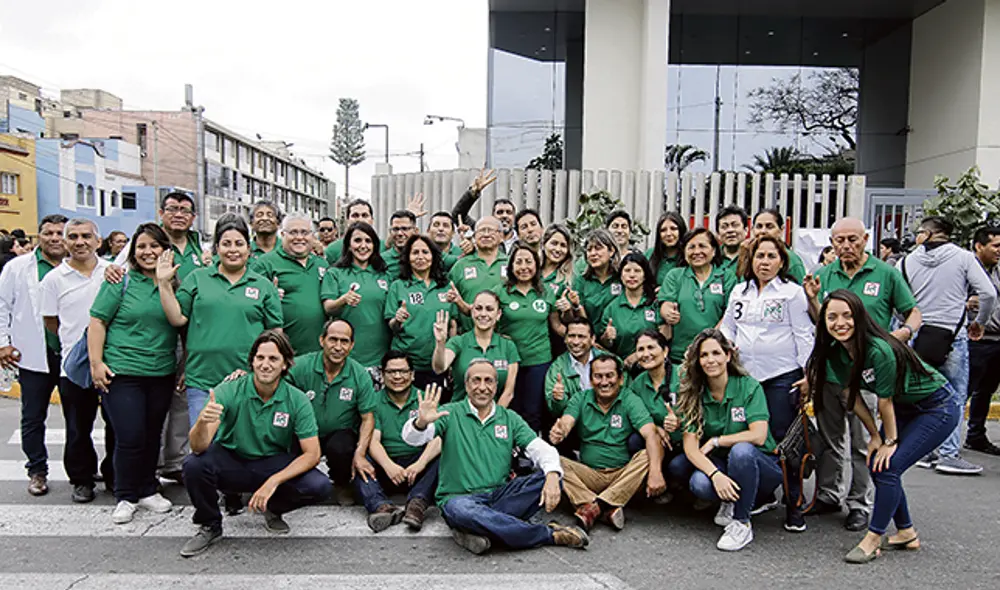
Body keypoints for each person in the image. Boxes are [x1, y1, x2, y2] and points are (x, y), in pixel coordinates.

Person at [804, 290, 958, 563]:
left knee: (888, 466)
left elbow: (884, 402)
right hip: (905, 408)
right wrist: (875, 436)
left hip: (937, 407)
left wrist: (889, 441)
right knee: (879, 464)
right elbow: (851, 396)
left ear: (860, 316)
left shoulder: (879, 350)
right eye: (832, 317)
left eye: (847, 315)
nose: (840, 323)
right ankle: (906, 532)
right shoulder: (834, 353)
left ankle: (873, 537)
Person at [801, 217, 921, 533]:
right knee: (830, 439)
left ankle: (859, 503)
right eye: (839, 240)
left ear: (865, 239)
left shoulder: (885, 273)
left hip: (866, 373)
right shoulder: (825, 274)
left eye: (853, 239)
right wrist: (813, 299)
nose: (846, 246)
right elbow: (821, 323)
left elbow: (913, 311)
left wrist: (902, 335)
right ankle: (828, 494)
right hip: (830, 371)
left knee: (862, 440)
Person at [401, 360, 589, 554]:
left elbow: (540, 448)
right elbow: (413, 438)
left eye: (488, 381)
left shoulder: (509, 418)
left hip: (501, 496)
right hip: (460, 498)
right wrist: (420, 423)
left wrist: (551, 475)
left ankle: (478, 528)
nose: (482, 387)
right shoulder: (450, 412)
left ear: (495, 386)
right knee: (462, 511)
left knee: (554, 474)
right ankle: (547, 534)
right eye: (476, 380)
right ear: (466, 385)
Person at [179, 330, 332, 557]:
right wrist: (203, 421)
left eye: (273, 359)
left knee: (320, 486)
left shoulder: (297, 399)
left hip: (272, 462)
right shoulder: (228, 389)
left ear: (285, 364)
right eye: (260, 358)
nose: (265, 365)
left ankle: (273, 508)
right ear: (252, 361)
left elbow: (312, 454)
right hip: (232, 458)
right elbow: (198, 447)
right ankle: (210, 524)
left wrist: (273, 481)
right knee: (193, 465)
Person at [106, 190, 207, 484]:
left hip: (187, 334)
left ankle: (173, 461)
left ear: (193, 217)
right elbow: (118, 271)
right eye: (172, 208)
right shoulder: (146, 243)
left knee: (179, 399)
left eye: (185, 210)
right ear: (161, 213)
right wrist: (110, 270)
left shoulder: (201, 252)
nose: (179, 214)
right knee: (140, 416)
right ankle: (144, 467)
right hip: (146, 338)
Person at [157, 214, 284, 427]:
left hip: (249, 381)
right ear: (217, 247)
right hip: (203, 381)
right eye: (226, 244)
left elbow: (275, 333)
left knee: (243, 447)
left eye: (239, 243)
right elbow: (177, 318)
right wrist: (163, 283)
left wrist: (263, 371)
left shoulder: (264, 286)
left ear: (248, 248)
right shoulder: (198, 278)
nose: (233, 249)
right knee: (204, 448)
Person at [88, 223, 177, 523]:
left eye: (155, 246)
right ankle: (125, 494)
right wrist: (96, 363)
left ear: (166, 249)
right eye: (142, 246)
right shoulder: (120, 281)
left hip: (161, 371)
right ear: (132, 252)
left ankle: (147, 489)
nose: (148, 252)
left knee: (153, 434)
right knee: (130, 435)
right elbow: (97, 322)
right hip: (122, 370)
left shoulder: (175, 282)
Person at [667, 330, 787, 551]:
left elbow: (758, 435)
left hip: (762, 464)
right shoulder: (695, 392)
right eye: (704, 355)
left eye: (716, 353)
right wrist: (716, 476)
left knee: (741, 450)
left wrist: (716, 441)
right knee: (699, 482)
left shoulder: (748, 386)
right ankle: (729, 499)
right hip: (723, 464)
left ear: (728, 356)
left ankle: (742, 522)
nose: (710, 360)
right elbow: (691, 449)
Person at [899, 216, 995, 475]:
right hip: (952, 336)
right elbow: (988, 293)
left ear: (929, 234)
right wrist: (980, 322)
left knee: (925, 394)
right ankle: (948, 454)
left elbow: (897, 296)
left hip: (918, 336)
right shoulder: (964, 258)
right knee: (954, 396)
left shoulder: (907, 261)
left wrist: (905, 327)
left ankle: (925, 450)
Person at [40, 218, 116, 503]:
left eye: (86, 236)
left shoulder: (113, 272)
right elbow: (51, 321)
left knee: (116, 425)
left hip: (112, 361)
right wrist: (77, 349)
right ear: (65, 241)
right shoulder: (53, 279)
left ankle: (113, 475)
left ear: (98, 241)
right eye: (73, 236)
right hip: (73, 365)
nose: (80, 242)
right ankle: (82, 479)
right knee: (77, 427)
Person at [549, 355, 665, 531]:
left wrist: (656, 472)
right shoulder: (581, 398)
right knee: (552, 460)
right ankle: (605, 508)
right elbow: (566, 421)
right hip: (590, 475)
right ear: (590, 379)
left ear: (620, 379)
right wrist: (560, 431)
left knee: (648, 454)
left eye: (609, 376)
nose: (604, 382)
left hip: (623, 475)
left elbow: (651, 434)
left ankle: (594, 507)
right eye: (598, 376)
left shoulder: (629, 399)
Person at [719, 236, 813, 442]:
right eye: (760, 256)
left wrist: (809, 373)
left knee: (781, 433)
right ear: (751, 260)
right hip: (745, 375)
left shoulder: (792, 293)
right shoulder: (739, 291)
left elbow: (803, 334)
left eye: (772, 256)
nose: (765, 261)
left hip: (781, 375)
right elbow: (728, 326)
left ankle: (786, 475)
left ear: (781, 262)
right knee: (747, 431)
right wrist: (728, 345)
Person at [0, 214, 68, 496]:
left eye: (59, 233)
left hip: (71, 356)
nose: (54, 238)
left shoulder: (81, 266)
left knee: (80, 418)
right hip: (33, 354)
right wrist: (3, 343)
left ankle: (83, 470)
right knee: (32, 416)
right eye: (48, 232)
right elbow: (2, 306)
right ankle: (37, 470)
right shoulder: (18, 267)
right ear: (38, 235)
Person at [285, 318, 376, 506]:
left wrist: (360, 453)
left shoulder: (359, 374)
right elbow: (273, 382)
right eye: (333, 340)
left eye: (344, 341)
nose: (338, 347)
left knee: (342, 447)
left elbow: (367, 418)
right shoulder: (300, 367)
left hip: (339, 434)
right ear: (321, 340)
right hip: (304, 433)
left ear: (351, 346)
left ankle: (342, 485)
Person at [356, 351, 441, 532]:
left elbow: (437, 437)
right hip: (386, 466)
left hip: (418, 467)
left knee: (446, 455)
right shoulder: (374, 400)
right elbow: (373, 439)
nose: (397, 377)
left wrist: (420, 463)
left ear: (412, 375)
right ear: (382, 375)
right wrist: (388, 465)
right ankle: (382, 507)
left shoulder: (425, 399)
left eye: (403, 372)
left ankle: (417, 505)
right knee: (359, 459)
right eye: (391, 372)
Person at [494, 243, 563, 432]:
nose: (524, 267)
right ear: (511, 266)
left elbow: (556, 325)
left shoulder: (547, 292)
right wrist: (459, 302)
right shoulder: (500, 291)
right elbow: (485, 317)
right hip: (509, 360)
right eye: (519, 262)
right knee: (511, 407)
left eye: (528, 262)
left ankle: (530, 453)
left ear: (537, 265)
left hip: (539, 359)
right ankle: (512, 452)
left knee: (534, 410)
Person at [385, 234, 458, 390]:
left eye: (425, 252)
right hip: (406, 365)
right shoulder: (398, 286)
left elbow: (453, 325)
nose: (420, 257)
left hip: (437, 364)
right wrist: (397, 319)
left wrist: (450, 360)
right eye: (415, 252)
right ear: (408, 257)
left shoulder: (446, 286)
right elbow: (392, 326)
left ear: (433, 256)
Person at [250, 214, 329, 356]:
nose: (299, 237)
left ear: (312, 236)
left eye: (305, 232)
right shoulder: (265, 263)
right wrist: (268, 297)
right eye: (293, 232)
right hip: (282, 353)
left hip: (318, 353)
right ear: (282, 234)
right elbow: (249, 302)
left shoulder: (321, 264)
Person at [321, 222, 392, 381]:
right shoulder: (335, 273)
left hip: (379, 358)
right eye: (357, 241)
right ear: (349, 245)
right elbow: (328, 308)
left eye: (368, 241)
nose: (363, 246)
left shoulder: (384, 275)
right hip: (347, 357)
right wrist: (343, 300)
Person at [658, 228, 736, 367]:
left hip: (715, 355)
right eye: (691, 247)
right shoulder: (675, 275)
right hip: (680, 354)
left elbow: (730, 313)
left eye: (702, 246)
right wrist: (668, 312)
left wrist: (709, 340)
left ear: (713, 251)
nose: (696, 252)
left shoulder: (726, 276)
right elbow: (666, 303)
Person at [433, 291, 520, 405]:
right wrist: (440, 343)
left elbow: (508, 393)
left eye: (489, 309)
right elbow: (439, 367)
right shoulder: (458, 342)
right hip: (459, 414)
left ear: (498, 314)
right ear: (472, 312)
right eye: (478, 308)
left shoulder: (508, 346)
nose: (483, 314)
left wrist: (493, 418)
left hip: (494, 415)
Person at [598, 252, 667, 373]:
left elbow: (665, 335)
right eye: (627, 271)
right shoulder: (612, 308)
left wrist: (637, 355)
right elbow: (605, 345)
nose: (632, 275)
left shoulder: (655, 303)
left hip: (654, 366)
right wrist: (606, 337)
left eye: (637, 271)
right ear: (621, 275)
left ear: (645, 275)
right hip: (624, 369)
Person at [965, 226, 1000, 455]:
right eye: (996, 246)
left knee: (986, 390)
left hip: (997, 340)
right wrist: (965, 304)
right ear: (979, 246)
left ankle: (976, 435)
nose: (999, 251)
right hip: (974, 341)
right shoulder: (965, 269)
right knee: (964, 391)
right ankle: (944, 446)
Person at [626, 330, 682, 469]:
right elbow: (634, 417)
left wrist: (680, 421)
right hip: (657, 442)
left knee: (677, 468)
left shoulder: (683, 375)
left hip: (686, 443)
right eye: (640, 350)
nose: (646, 354)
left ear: (665, 351)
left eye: (651, 347)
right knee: (634, 441)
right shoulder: (638, 384)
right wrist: (656, 428)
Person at [447, 216, 509, 333]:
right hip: (467, 337)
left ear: (501, 236)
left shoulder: (511, 264)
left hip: (503, 338)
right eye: (481, 231)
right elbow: (449, 299)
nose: (486, 234)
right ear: (474, 236)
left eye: (491, 230)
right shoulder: (461, 265)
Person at [545, 318, 601, 419]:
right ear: (565, 339)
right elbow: (555, 411)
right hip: (576, 423)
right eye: (571, 336)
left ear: (592, 339)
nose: (575, 342)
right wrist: (558, 400)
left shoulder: (609, 362)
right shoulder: (557, 368)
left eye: (581, 336)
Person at [570, 229, 622, 325]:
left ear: (611, 251)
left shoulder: (622, 278)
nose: (593, 253)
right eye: (589, 250)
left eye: (598, 248)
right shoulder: (581, 281)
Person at [749, 209, 806, 282]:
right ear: (752, 230)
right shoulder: (748, 254)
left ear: (781, 230)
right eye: (759, 226)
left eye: (769, 226)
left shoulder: (792, 260)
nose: (763, 231)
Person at [539, 224, 575, 298]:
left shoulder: (570, 279)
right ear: (543, 244)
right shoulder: (531, 270)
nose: (558, 249)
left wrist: (568, 307)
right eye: (554, 243)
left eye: (563, 245)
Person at [716, 207, 748, 284]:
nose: (730, 230)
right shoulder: (711, 258)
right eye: (724, 227)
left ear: (746, 230)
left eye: (735, 225)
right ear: (718, 234)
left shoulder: (754, 257)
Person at [383, 210, 419, 279]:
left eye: (405, 229)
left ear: (416, 231)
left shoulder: (425, 257)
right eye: (395, 229)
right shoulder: (383, 259)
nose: (399, 233)